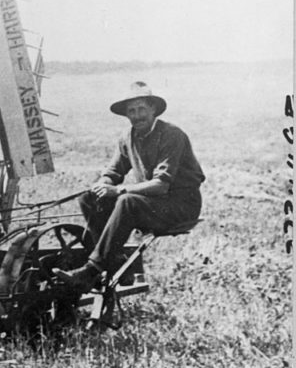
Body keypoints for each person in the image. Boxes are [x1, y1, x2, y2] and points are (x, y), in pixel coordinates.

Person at [53, 81, 205, 290]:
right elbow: (113, 172)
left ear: (153, 109)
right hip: (152, 204)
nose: (137, 115)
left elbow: (161, 185)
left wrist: (117, 190)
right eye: (131, 111)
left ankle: (91, 270)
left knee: (127, 201)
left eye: (141, 108)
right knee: (88, 198)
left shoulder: (172, 134)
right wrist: (102, 185)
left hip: (180, 206)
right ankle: (116, 263)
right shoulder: (128, 137)